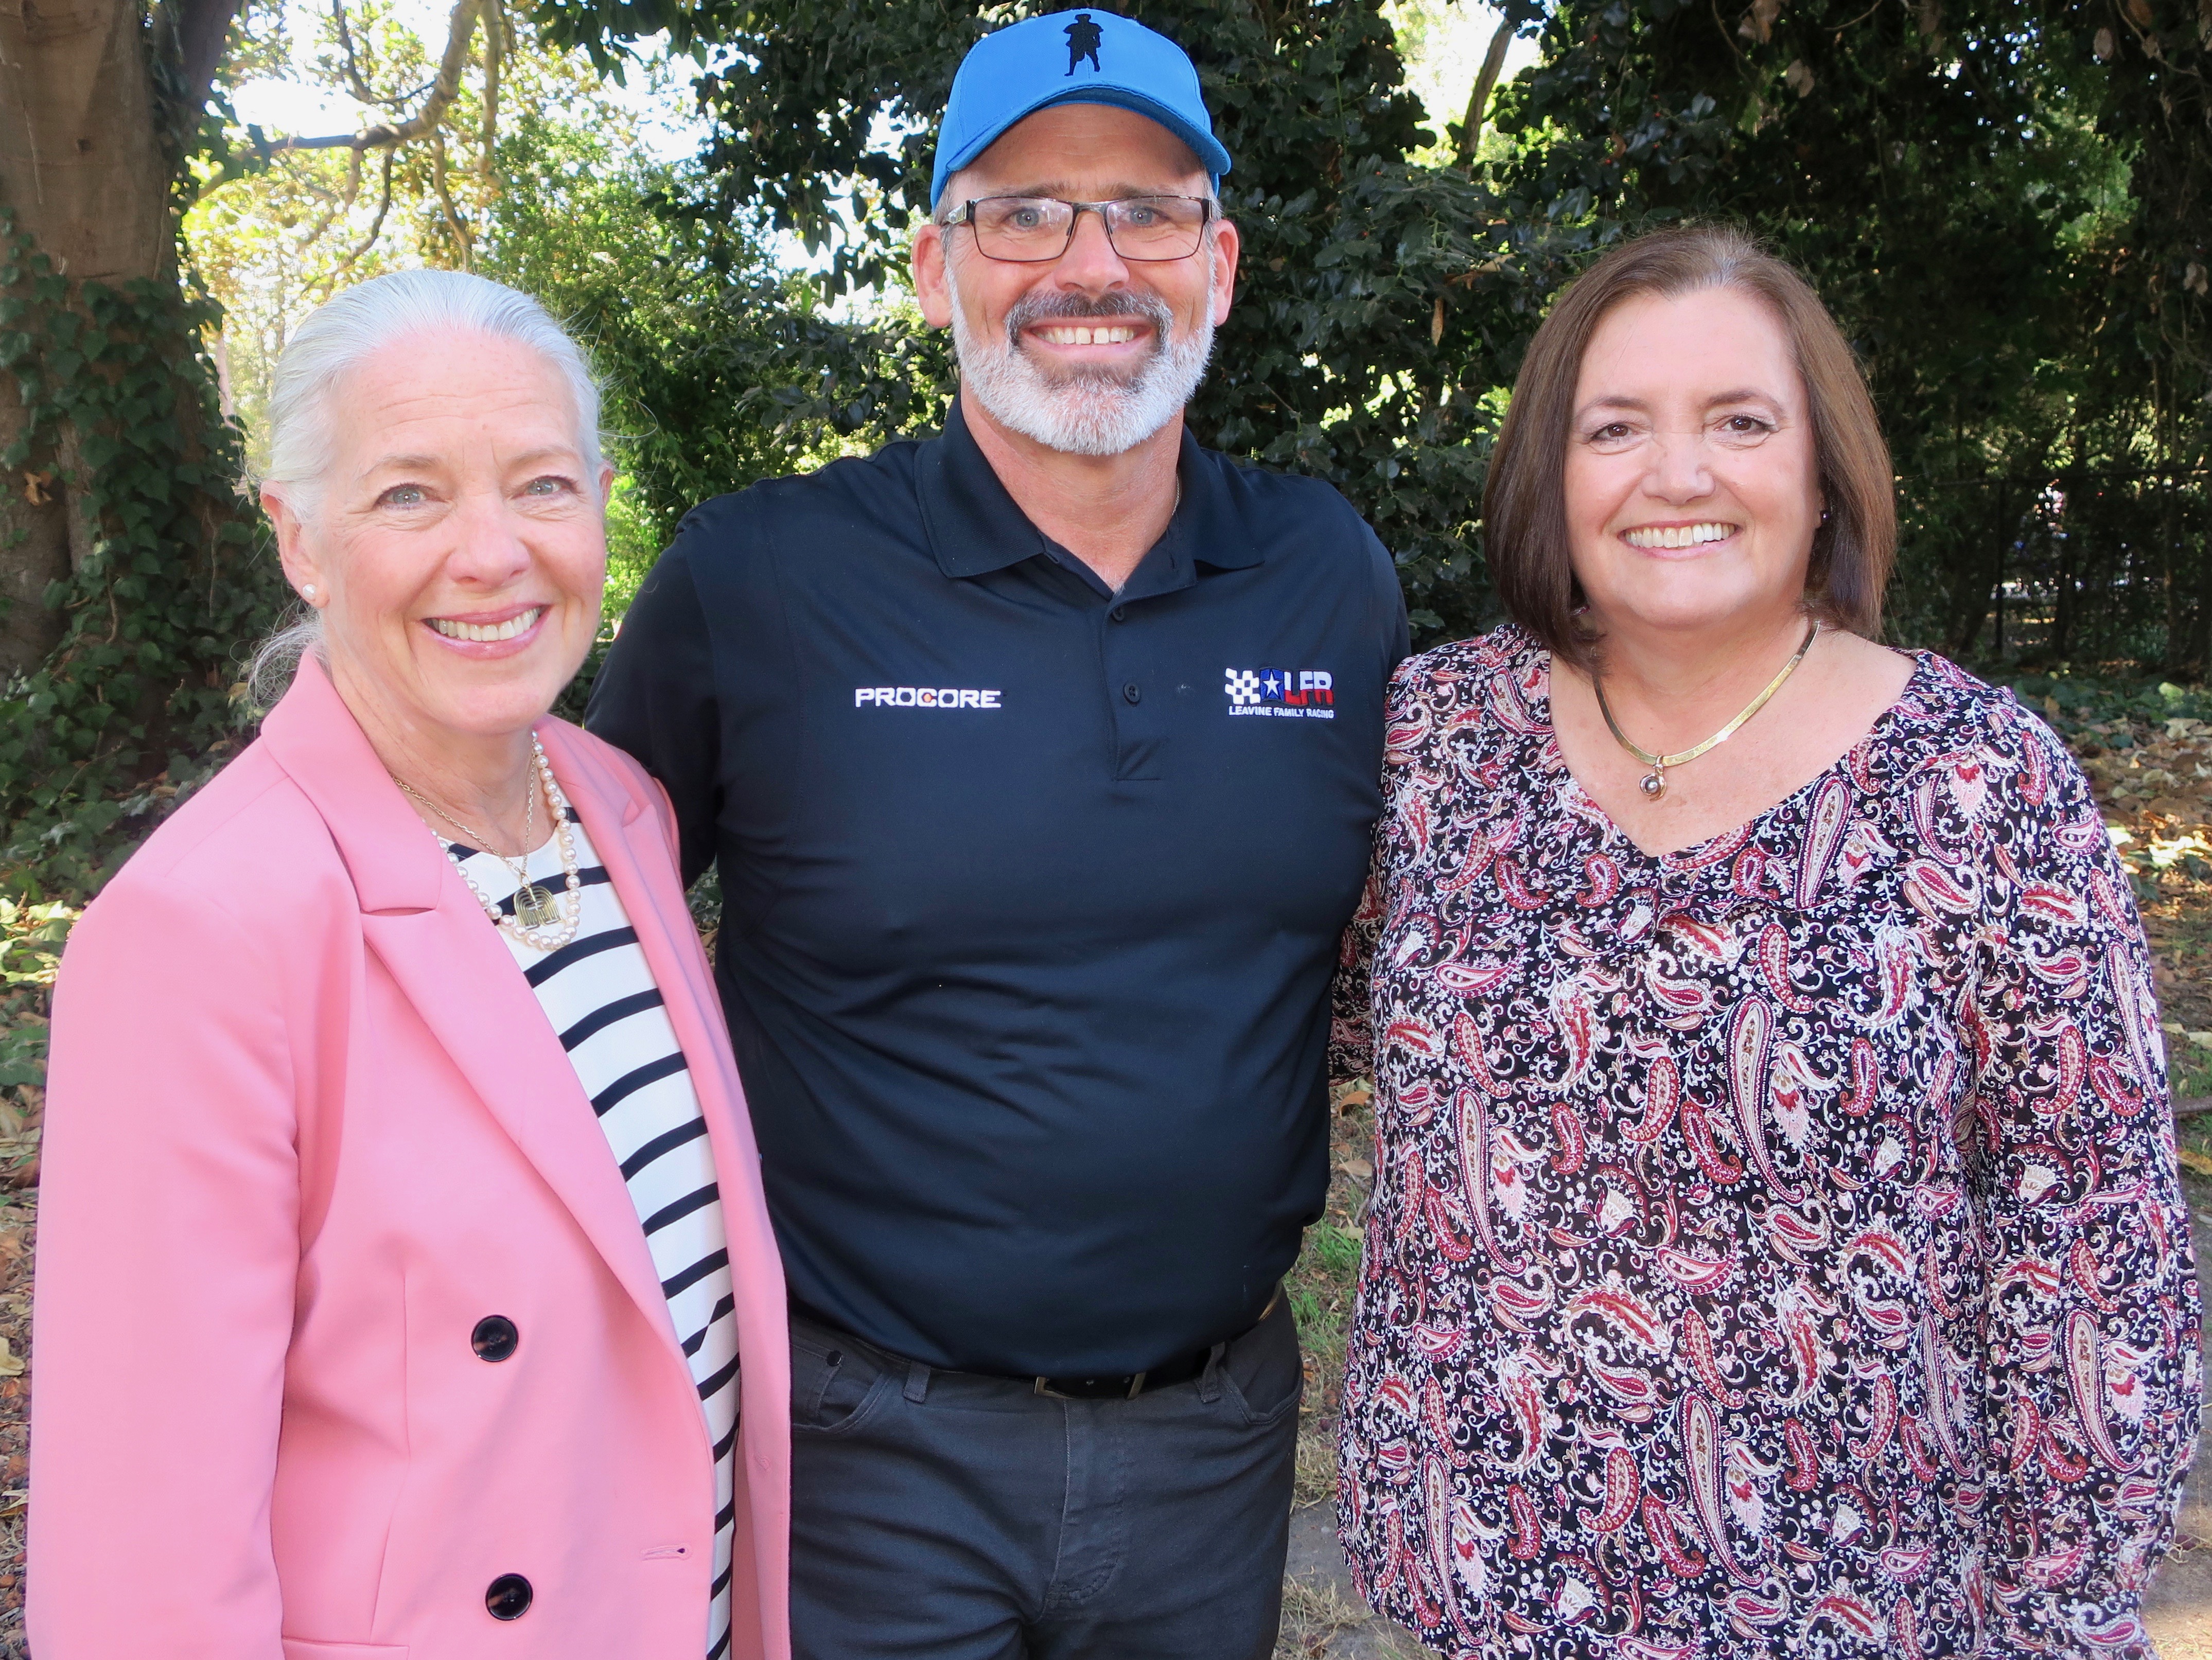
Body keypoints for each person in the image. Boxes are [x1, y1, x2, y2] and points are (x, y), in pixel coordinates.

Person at [587, 9, 1408, 1657]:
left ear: (1218, 265)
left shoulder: (1325, 574)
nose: (1089, 263)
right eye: (1022, 212)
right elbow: (583, 943)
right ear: (933, 265)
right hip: (864, 1441)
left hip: (1214, 1441)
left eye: (1146, 212)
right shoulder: (760, 579)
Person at [1329, 225, 2202, 1658]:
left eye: (1739, 421)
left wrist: (2063, 1601)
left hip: (1854, 1601)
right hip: (1484, 1586)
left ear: (1822, 471)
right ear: (1550, 470)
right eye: (1616, 427)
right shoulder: (1432, 741)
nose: (1677, 474)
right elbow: (1279, 1016)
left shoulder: (1977, 778)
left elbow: (2092, 1232)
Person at [28, 270, 791, 1660]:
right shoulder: (202, 929)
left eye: (541, 485)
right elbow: (140, 1569)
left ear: (601, 502)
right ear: (300, 539)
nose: (491, 553)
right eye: (409, 495)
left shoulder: (623, 808)